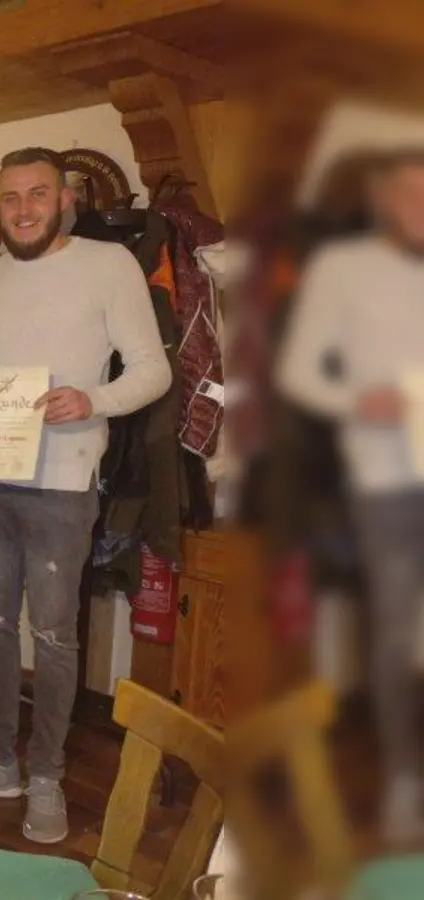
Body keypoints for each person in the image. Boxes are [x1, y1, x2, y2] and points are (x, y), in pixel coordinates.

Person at [0, 147, 170, 844]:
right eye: (10, 198)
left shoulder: (108, 265)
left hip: (63, 483)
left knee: (54, 637)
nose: (24, 209)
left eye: (37, 194)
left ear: (64, 199)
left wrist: (90, 398)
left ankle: (46, 774)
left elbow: (152, 369)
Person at [276, 150, 424, 843]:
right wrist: (357, 400)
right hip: (386, 485)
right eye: (408, 195)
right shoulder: (343, 270)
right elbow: (300, 370)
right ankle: (405, 779)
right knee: (393, 637)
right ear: (380, 198)